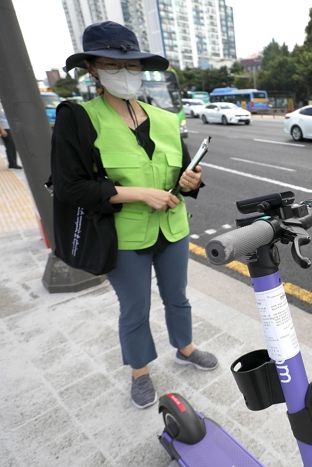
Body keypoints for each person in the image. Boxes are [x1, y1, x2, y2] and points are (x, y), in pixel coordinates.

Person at [52, 21, 218, 409]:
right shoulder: (78, 119)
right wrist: (139, 194)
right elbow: (69, 187)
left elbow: (176, 174)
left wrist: (190, 181)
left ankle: (186, 347)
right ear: (92, 68)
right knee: (135, 307)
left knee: (177, 297)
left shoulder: (163, 118)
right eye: (112, 65)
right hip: (123, 235)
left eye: (132, 66)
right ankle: (140, 371)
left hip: (173, 229)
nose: (124, 74)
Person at [0, 105, 21, 169]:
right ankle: (12, 164)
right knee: (9, 146)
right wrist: (2, 130)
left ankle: (13, 163)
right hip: (5, 129)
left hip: (9, 128)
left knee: (13, 146)